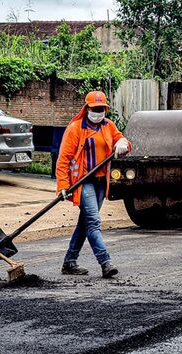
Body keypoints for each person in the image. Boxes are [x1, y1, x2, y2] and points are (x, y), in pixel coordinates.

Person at [56, 91, 131, 278]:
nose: (98, 112)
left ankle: (69, 262)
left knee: (86, 222)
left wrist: (123, 143)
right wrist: (63, 185)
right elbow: (63, 159)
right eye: (95, 109)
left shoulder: (108, 126)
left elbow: (123, 143)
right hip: (83, 182)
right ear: (87, 109)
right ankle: (106, 262)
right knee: (94, 222)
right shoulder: (75, 128)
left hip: (99, 182)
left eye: (101, 109)